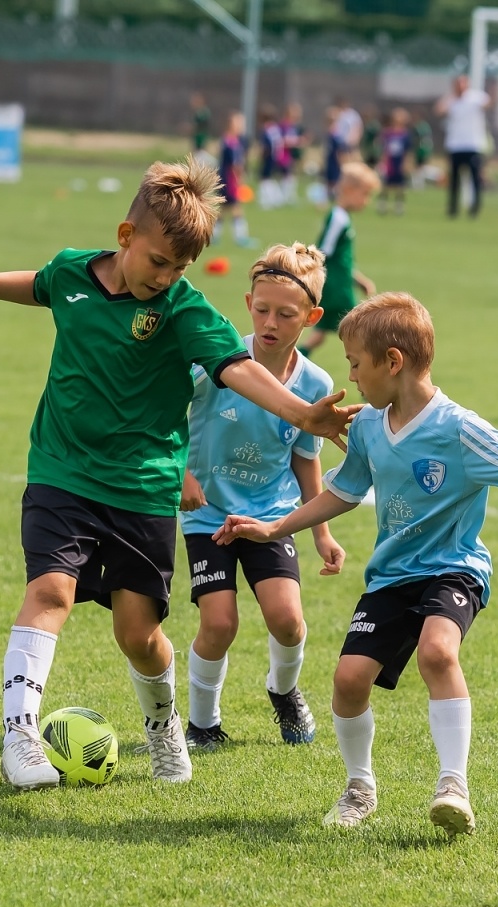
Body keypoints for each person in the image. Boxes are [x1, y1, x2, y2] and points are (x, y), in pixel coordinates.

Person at [0, 157, 357, 790]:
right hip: (61, 471)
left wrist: (301, 416)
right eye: (159, 262)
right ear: (126, 238)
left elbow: (237, 369)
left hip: (144, 488)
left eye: (181, 268)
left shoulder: (183, 309)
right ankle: (19, 740)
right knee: (50, 593)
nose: (168, 277)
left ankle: (163, 726)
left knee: (139, 634)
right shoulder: (73, 271)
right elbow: (39, 285)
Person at [217, 292, 498, 835]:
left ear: (393, 361)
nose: (351, 376)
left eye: (357, 363)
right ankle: (360, 787)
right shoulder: (368, 426)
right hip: (392, 574)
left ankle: (454, 785)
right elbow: (343, 492)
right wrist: (275, 527)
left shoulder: (460, 429)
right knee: (349, 680)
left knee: (437, 651)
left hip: (454, 568)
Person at [180, 244, 344, 749]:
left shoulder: (315, 383)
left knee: (289, 621)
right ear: (248, 301)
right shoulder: (217, 362)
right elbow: (168, 416)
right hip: (207, 515)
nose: (271, 322)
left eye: (287, 314)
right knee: (220, 622)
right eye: (261, 309)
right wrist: (182, 474)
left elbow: (305, 457)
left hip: (273, 516)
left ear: (312, 317)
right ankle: (202, 724)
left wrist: (322, 532)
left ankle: (285, 690)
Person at [301, 163, 379, 359]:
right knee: (359, 332)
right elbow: (323, 252)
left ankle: (289, 362)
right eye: (365, 194)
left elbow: (339, 260)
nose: (366, 201)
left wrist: (358, 279)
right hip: (337, 289)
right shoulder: (338, 218)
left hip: (337, 284)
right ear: (349, 190)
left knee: (318, 336)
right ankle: (371, 381)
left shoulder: (342, 217)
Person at [436, 75, 491, 219]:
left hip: (473, 145)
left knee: (475, 178)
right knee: (454, 179)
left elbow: (488, 104)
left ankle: (475, 208)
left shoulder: (476, 97)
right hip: (455, 145)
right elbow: (439, 111)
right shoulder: (451, 100)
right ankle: (453, 208)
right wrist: (451, 97)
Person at [216, 111, 254, 246]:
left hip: (225, 178)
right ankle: (241, 238)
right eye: (239, 123)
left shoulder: (230, 140)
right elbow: (234, 164)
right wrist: (239, 179)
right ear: (232, 124)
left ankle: (213, 236)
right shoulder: (231, 142)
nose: (242, 126)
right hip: (229, 180)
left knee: (223, 208)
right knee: (236, 207)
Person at [377, 109, 414, 216]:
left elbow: (408, 151)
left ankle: (399, 206)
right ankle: (382, 205)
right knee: (385, 185)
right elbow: (383, 149)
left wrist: (407, 163)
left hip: (400, 161)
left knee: (400, 186)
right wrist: (382, 162)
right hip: (389, 161)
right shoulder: (387, 133)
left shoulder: (405, 135)